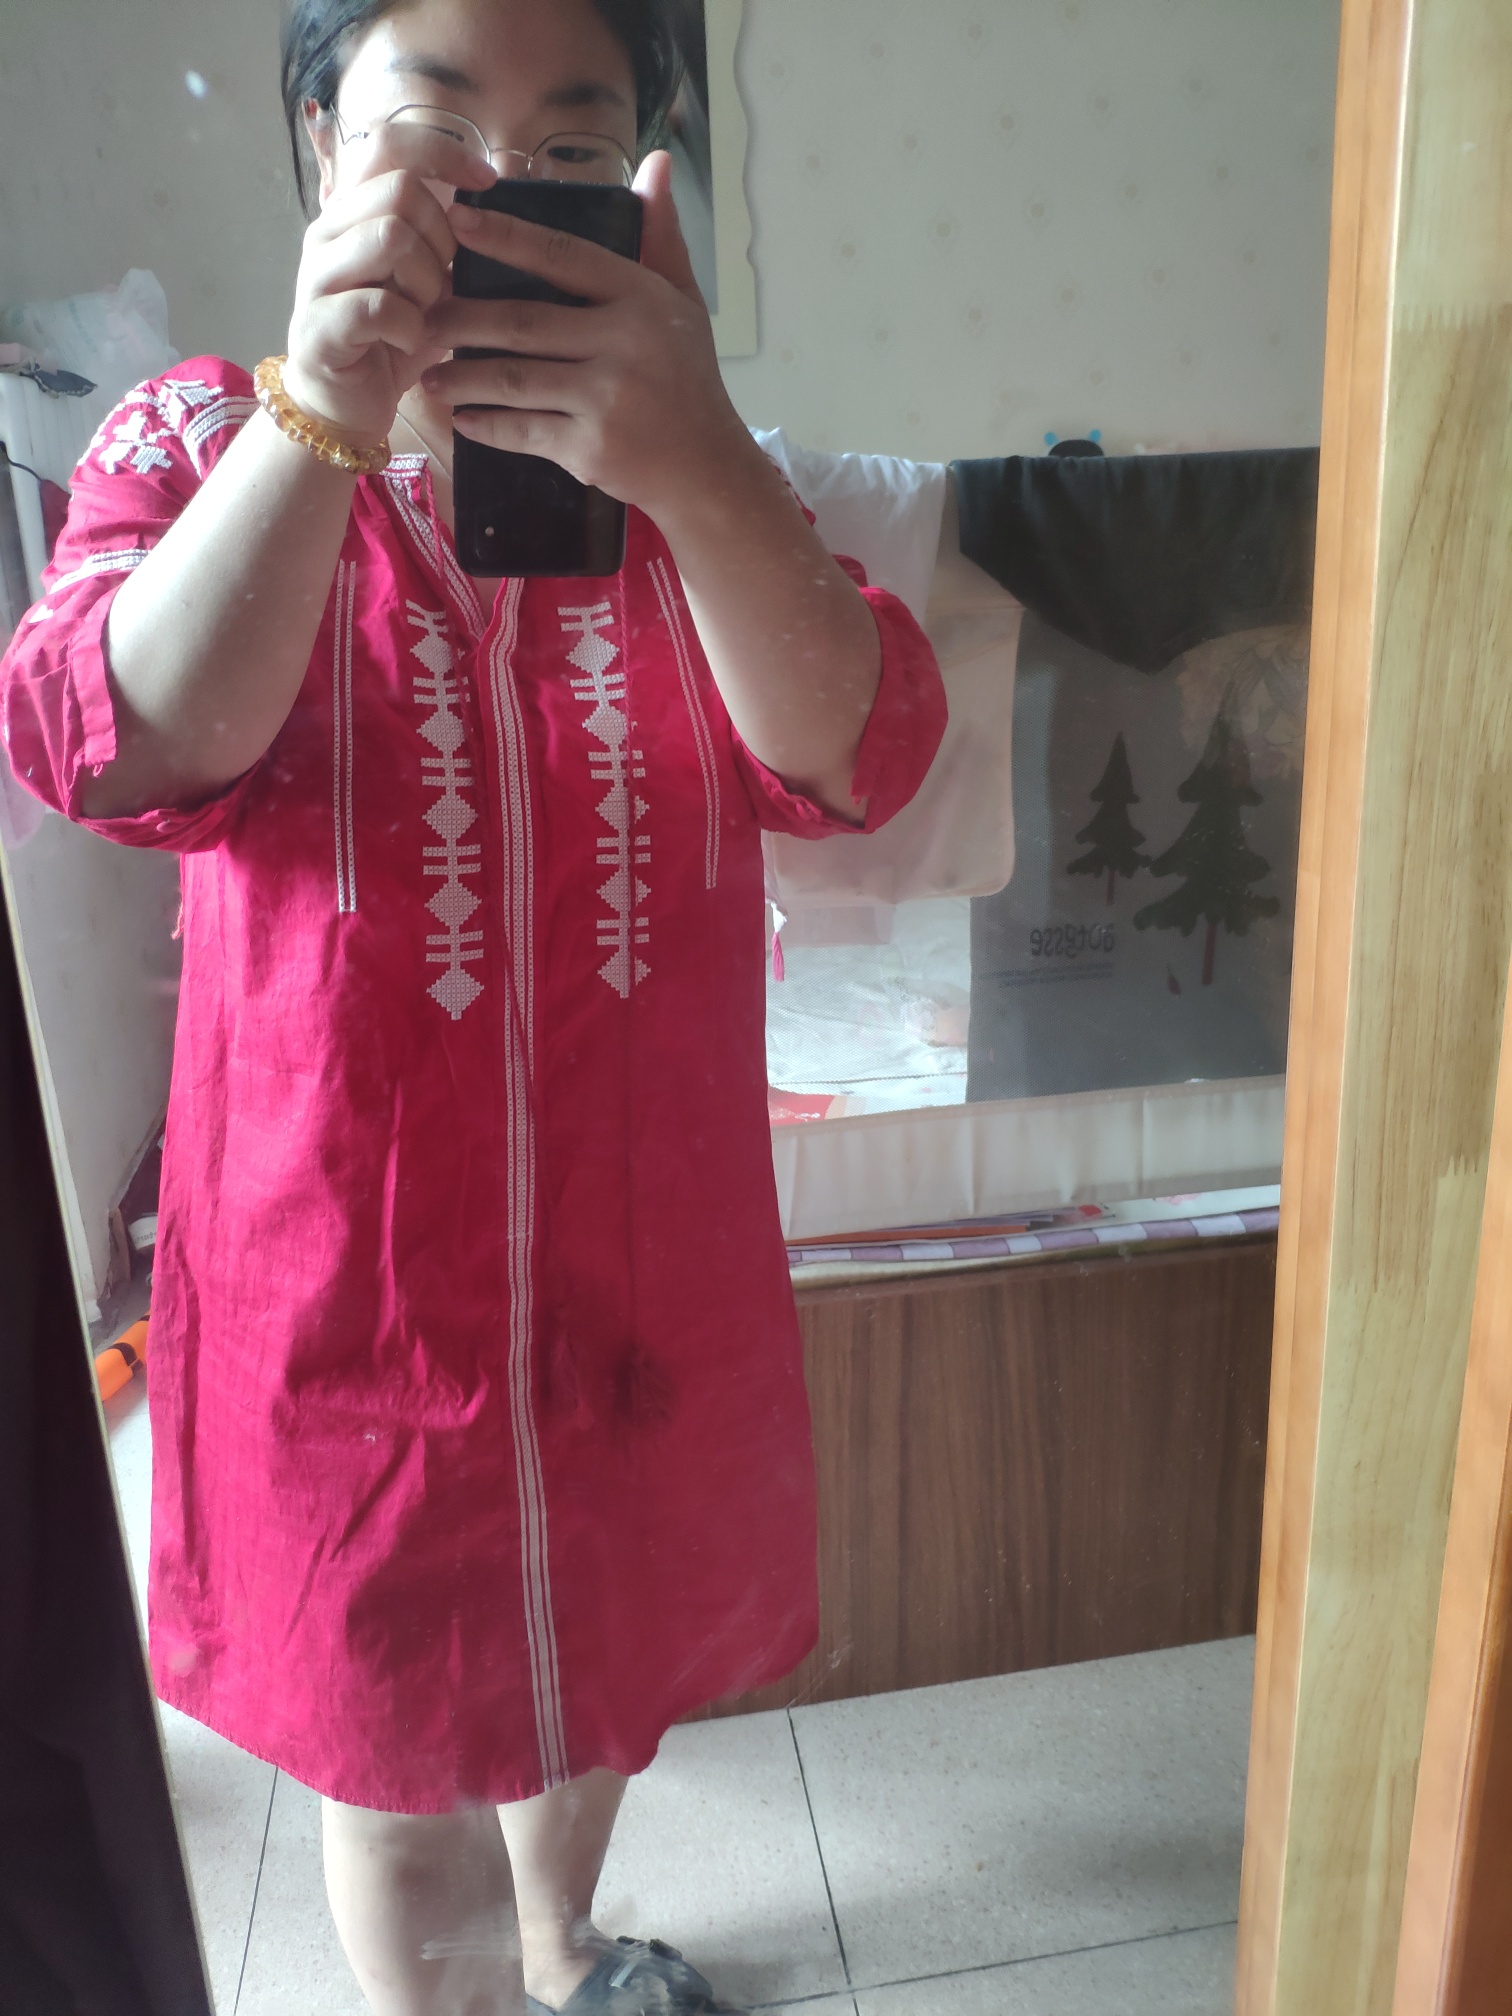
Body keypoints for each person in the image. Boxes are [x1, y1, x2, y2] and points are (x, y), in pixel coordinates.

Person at [0, 0, 945, 2009]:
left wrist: (692, 463)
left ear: (644, 190)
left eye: (570, 146)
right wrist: (321, 422)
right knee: (390, 1739)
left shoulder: (692, 479)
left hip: (639, 1276)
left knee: (597, 1687)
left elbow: (861, 750)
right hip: (342, 1293)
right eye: (436, 127)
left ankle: (566, 1945)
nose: (501, 190)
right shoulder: (194, 438)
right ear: (320, 147)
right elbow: (109, 739)